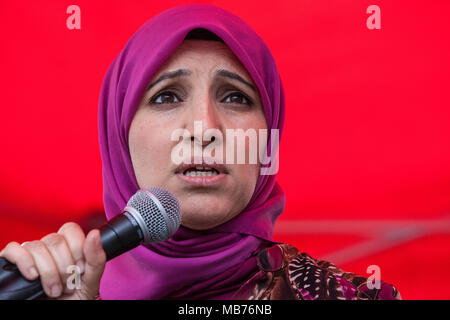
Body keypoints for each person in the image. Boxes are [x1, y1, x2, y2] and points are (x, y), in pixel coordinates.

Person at [0, 4, 400, 300]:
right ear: (118, 136)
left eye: (235, 98)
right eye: (167, 96)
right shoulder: (54, 286)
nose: (205, 128)